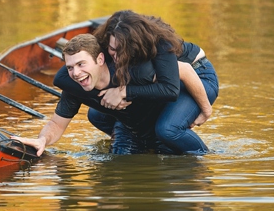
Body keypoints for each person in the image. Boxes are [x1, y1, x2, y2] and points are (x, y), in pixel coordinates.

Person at [12, 34, 168, 155]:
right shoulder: (74, 84)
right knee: (116, 156)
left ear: (100, 59)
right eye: (70, 67)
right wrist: (42, 140)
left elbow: (171, 85)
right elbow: (56, 124)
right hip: (126, 123)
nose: (76, 73)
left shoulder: (129, 69)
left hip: (159, 119)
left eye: (81, 64)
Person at [89, 10, 219, 155]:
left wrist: (206, 110)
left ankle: (204, 155)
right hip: (164, 84)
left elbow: (185, 71)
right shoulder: (107, 44)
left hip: (197, 75)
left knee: (168, 130)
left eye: (123, 52)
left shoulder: (157, 48)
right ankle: (145, 141)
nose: (118, 57)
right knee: (96, 115)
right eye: (113, 50)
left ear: (135, 46)